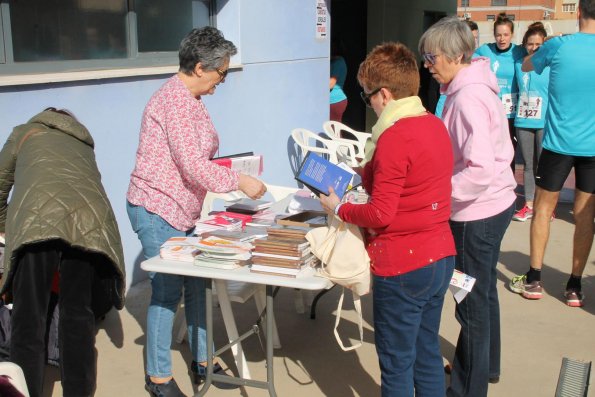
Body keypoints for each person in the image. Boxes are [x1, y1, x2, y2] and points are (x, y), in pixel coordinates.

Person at [126, 26, 266, 397]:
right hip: (157, 207)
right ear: (201, 67)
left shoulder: (193, 100)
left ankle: (203, 360)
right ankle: (158, 378)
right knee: (167, 292)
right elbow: (192, 164)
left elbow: (201, 159)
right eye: (221, 72)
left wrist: (233, 168)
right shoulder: (174, 101)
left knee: (200, 284)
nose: (222, 80)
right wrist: (240, 180)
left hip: (185, 208)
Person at [320, 42, 456, 397]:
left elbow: (380, 214)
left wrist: (339, 207)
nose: (369, 106)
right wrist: (365, 172)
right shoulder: (433, 124)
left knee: (396, 364)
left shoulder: (394, 137)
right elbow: (413, 180)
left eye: (366, 98)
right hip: (439, 256)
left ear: (384, 94)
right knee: (427, 354)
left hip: (403, 265)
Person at [419, 16, 516, 397]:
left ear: (457, 55)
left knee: (469, 304)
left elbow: (477, 169)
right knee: (483, 293)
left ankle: (466, 389)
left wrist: (438, 195)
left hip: (476, 214)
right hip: (493, 204)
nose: (428, 65)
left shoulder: (468, 98)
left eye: (432, 57)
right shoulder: (468, 87)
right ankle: (487, 367)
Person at [0, 108, 126, 397]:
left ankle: (25, 391)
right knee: (77, 314)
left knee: (29, 316)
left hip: (36, 223)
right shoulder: (83, 143)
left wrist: (6, 226)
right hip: (87, 224)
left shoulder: (23, 132)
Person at [510, 0, 595, 307]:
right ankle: (574, 286)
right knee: (586, 215)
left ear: (578, 12)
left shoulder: (558, 45)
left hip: (558, 145)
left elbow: (527, 65)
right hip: (592, 149)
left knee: (543, 210)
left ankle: (534, 279)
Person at [475, 13, 527, 169]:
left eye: (505, 34)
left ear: (512, 34)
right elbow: (466, 61)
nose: (502, 39)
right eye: (498, 35)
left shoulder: (520, 52)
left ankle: (507, 182)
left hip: (511, 111)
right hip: (491, 110)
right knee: (490, 147)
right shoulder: (485, 50)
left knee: (509, 148)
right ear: (494, 35)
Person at [511, 23, 550, 222]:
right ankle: (528, 205)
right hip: (523, 120)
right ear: (524, 44)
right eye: (530, 43)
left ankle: (546, 206)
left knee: (544, 166)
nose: (533, 48)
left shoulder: (550, 65)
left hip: (543, 121)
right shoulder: (518, 64)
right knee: (527, 165)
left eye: (538, 44)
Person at [434, 19, 479, 119]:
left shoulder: (480, 61)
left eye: (476, 38)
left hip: (469, 111)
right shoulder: (449, 58)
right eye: (472, 38)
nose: (474, 42)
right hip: (447, 107)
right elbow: (444, 92)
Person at [330, 38, 348, 122]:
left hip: (335, 101)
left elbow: (331, 83)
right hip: (334, 101)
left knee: (333, 131)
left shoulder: (338, 62)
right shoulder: (333, 61)